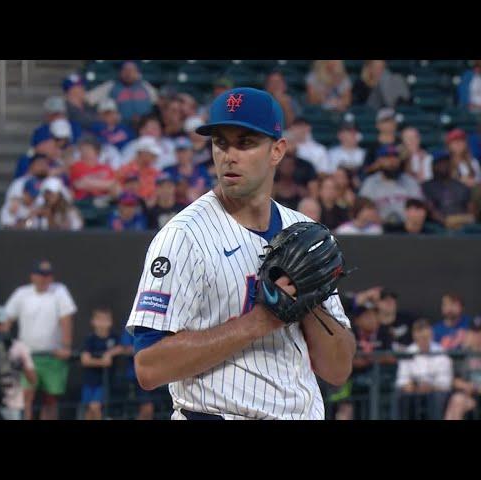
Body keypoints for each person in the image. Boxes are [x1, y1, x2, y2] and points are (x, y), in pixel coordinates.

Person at [126, 87, 355, 420]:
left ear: (277, 151)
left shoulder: (304, 231)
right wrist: (260, 321)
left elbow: (338, 369)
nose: (229, 155)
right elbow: (148, 366)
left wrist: (306, 303)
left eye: (245, 143)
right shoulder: (183, 237)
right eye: (221, 142)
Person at [4, 260, 78, 420]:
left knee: (50, 399)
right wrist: (4, 346)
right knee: (26, 397)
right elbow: (7, 320)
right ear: (33, 276)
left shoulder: (60, 291)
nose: (44, 279)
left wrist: (66, 346)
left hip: (53, 355)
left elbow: (66, 319)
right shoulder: (21, 293)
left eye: (48, 275)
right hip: (27, 356)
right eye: (41, 275)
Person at [0, 305, 37, 420]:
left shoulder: (20, 347)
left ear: (8, 324)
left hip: (12, 404)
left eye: (1, 325)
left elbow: (33, 379)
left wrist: (19, 365)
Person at [394, 319, 453, 420]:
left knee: (437, 397)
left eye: (426, 337)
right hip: (414, 391)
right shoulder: (408, 353)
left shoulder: (441, 352)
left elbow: (445, 383)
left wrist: (431, 387)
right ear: (414, 337)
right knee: (402, 396)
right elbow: (401, 381)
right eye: (420, 338)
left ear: (431, 335)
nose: (423, 341)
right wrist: (414, 386)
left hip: (435, 391)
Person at [359, 144, 423, 227]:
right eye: (387, 158)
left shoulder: (410, 182)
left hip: (407, 230)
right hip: (378, 229)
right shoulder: (370, 183)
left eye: (395, 157)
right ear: (379, 161)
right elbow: (363, 209)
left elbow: (420, 207)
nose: (392, 161)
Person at [86, 60, 158, 127]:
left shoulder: (145, 86)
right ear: (120, 72)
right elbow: (87, 99)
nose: (128, 73)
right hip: (122, 128)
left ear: (137, 72)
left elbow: (158, 103)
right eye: (125, 70)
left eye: (132, 70)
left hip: (145, 127)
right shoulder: (111, 86)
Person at [80, 308, 122, 420]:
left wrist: (109, 353)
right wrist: (102, 362)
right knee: (89, 409)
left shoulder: (114, 337)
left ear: (111, 322)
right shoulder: (90, 339)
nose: (103, 323)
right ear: (93, 321)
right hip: (90, 381)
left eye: (106, 319)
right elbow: (85, 360)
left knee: (96, 406)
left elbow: (122, 348)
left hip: (105, 382)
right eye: (99, 319)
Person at [421, 153, 473, 230]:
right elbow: (430, 209)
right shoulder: (426, 186)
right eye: (440, 163)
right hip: (437, 228)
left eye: (446, 162)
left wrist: (463, 220)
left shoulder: (461, 186)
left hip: (463, 226)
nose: (444, 165)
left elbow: (470, 209)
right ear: (433, 166)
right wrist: (445, 221)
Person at [444, 315, 481, 420]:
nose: (477, 335)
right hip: (469, 396)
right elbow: (454, 380)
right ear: (469, 333)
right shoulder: (462, 355)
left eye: (479, 332)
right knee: (457, 401)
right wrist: (467, 385)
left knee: (456, 402)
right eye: (475, 332)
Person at [69, 135, 120, 202]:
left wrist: (90, 183)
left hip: (104, 202)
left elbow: (115, 187)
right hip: (83, 202)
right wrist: (108, 185)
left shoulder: (106, 168)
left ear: (96, 151)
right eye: (82, 150)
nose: (84, 152)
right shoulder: (77, 166)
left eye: (88, 149)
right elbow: (79, 185)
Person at [120, 327, 156, 419]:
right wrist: (147, 352)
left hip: (156, 375)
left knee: (150, 410)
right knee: (147, 408)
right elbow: (126, 349)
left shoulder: (157, 327)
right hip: (136, 377)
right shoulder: (132, 326)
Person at [163, 137, 211, 205]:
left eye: (184, 151)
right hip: (177, 208)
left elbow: (209, 188)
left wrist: (199, 192)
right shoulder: (169, 171)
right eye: (179, 152)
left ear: (191, 152)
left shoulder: (201, 170)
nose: (182, 155)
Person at [116, 136, 162, 206]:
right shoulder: (125, 170)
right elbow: (116, 190)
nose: (155, 157)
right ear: (141, 152)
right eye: (152, 154)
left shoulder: (155, 172)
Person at [361, 108, 399, 177]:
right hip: (377, 183)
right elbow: (365, 170)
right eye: (386, 121)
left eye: (392, 120)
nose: (390, 123)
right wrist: (379, 164)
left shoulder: (401, 144)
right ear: (378, 125)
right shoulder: (372, 147)